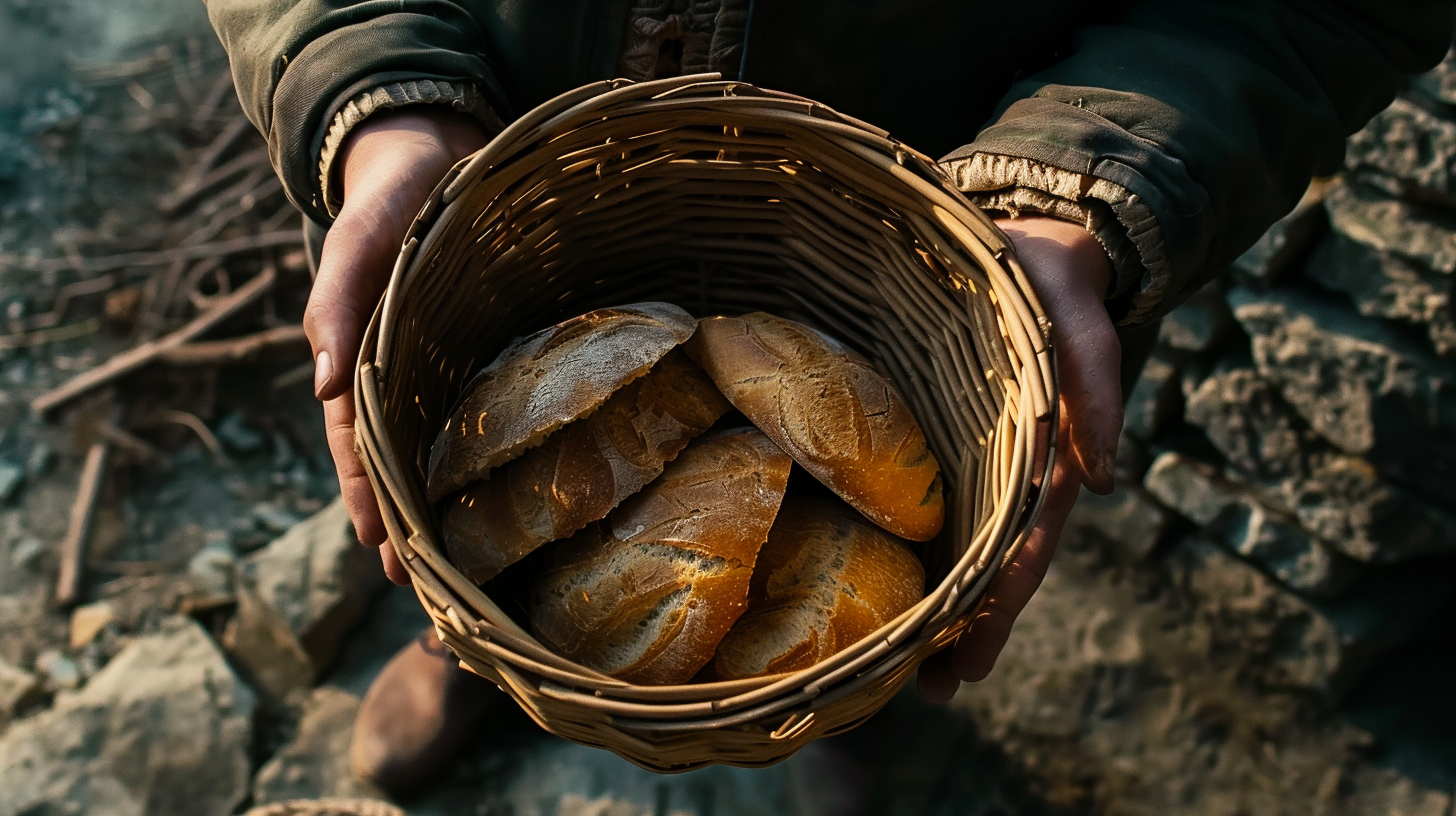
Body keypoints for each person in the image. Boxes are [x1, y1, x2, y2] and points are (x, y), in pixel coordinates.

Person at [202, 0, 1454, 794]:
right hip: (511, 144)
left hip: (926, 202)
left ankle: (844, 721)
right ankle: (474, 650)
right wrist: (372, 84)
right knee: (495, 502)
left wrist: (1082, 177)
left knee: (872, 608)